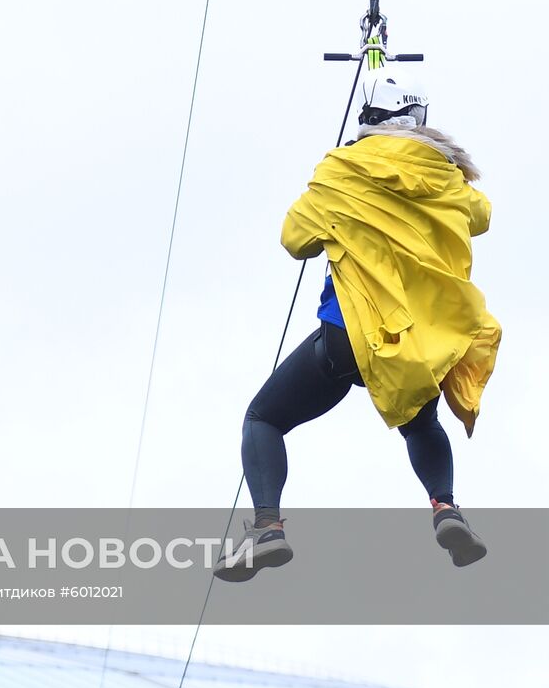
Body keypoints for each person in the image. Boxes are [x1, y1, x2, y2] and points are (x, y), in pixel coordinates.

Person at [215, 68, 501, 582]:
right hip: (419, 341)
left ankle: (266, 530)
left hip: (348, 332)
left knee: (263, 418)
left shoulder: (343, 171)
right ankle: (446, 510)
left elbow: (293, 239)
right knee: (421, 422)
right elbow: (480, 215)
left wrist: (343, 199)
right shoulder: (450, 181)